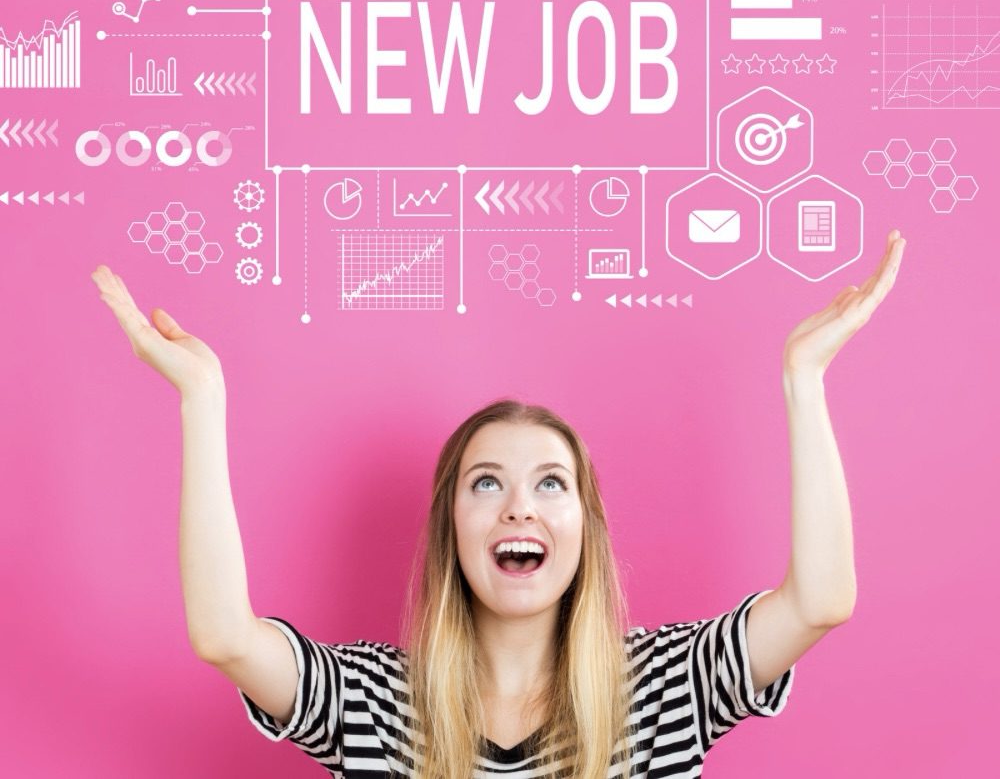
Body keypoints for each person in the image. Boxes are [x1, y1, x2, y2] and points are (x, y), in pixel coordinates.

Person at [89, 228, 906, 777]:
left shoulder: (663, 689)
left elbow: (820, 601)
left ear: (584, 527)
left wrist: (805, 379)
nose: (520, 507)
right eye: (488, 483)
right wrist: (202, 397)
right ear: (453, 526)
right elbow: (226, 636)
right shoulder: (375, 703)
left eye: (551, 483)